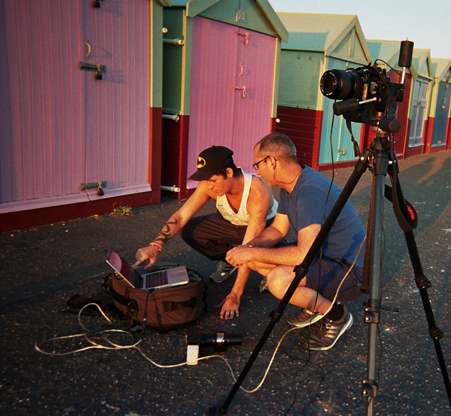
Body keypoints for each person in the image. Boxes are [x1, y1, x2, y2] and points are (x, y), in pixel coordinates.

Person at [226, 133, 366, 351]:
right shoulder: (291, 185)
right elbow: (277, 229)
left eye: (257, 164)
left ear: (271, 162)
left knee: (278, 280)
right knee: (253, 259)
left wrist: (251, 253)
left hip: (350, 271)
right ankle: (312, 300)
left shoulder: (309, 191)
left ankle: (337, 317)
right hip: (323, 257)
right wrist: (248, 248)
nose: (256, 171)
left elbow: (303, 254)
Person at [133, 145, 277, 320]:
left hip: (265, 230)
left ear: (229, 173)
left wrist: (235, 295)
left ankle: (271, 269)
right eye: (205, 179)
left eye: (213, 180)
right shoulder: (209, 186)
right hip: (232, 224)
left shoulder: (257, 192)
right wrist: (156, 245)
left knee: (254, 255)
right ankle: (228, 260)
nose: (209, 185)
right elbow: (181, 216)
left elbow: (249, 245)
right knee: (189, 229)